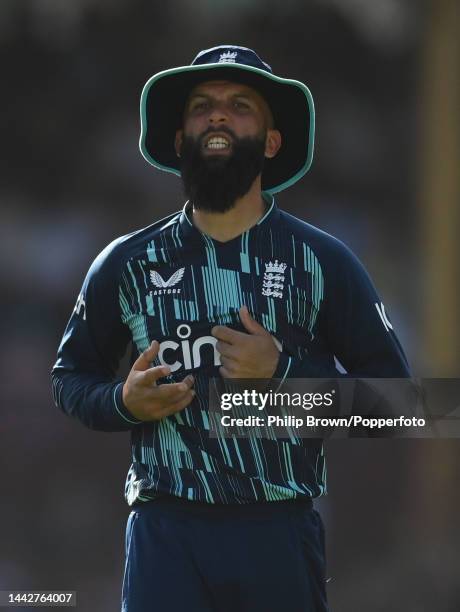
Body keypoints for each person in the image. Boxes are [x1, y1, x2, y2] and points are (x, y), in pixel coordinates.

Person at [51, 45, 411, 612]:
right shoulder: (126, 263)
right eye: (202, 105)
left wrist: (283, 372)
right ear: (178, 139)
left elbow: (398, 408)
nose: (218, 115)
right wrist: (123, 402)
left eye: (240, 104)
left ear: (271, 142)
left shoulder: (323, 262)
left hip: (277, 533)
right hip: (162, 531)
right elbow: (69, 380)